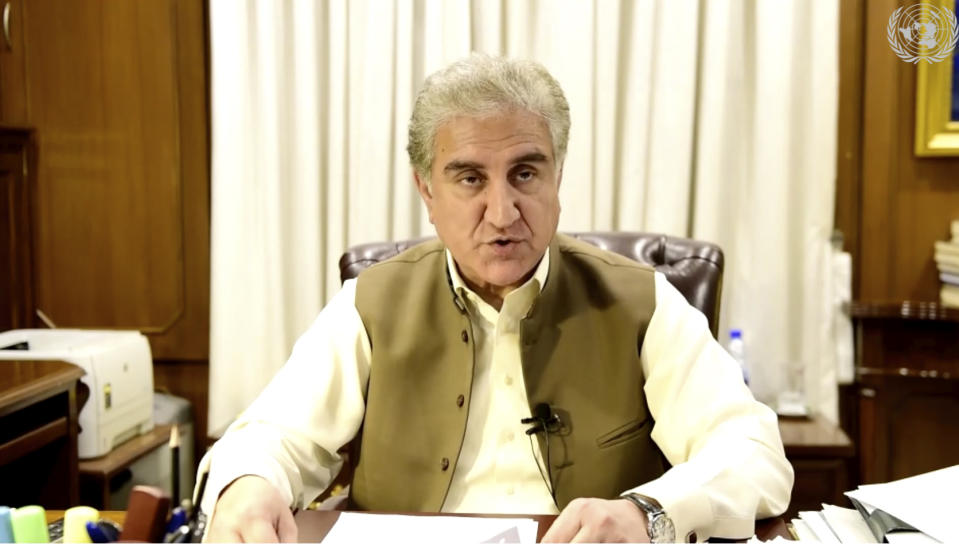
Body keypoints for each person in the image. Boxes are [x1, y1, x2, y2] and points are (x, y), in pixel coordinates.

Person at [198, 54, 793, 543]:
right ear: (427, 191)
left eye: (526, 173)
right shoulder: (372, 301)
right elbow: (273, 435)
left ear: (557, 176)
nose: (503, 213)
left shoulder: (641, 300)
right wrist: (250, 484)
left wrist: (649, 512)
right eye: (470, 178)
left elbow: (753, 452)